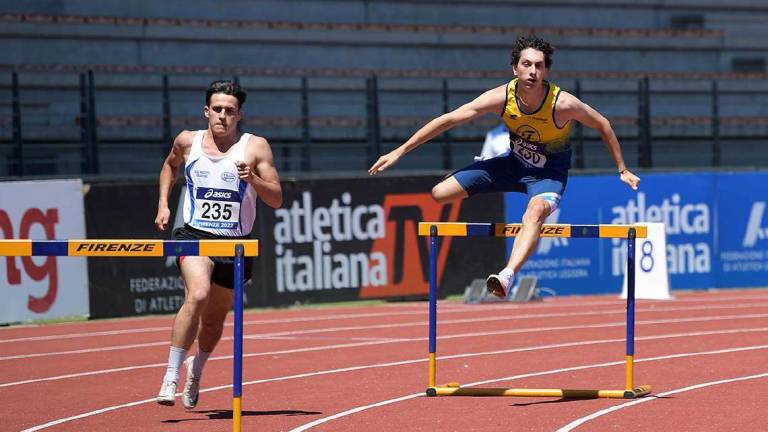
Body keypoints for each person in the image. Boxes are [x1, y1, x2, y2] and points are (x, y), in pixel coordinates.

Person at [368, 35, 640, 299]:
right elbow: (449, 119)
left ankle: (507, 275)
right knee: (439, 194)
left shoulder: (563, 104)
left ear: (546, 71)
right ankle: (485, 170)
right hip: (511, 165)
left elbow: (603, 124)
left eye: (539, 66)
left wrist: (622, 169)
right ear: (514, 68)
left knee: (533, 214)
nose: (532, 71)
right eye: (526, 64)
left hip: (547, 176)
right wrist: (399, 151)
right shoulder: (501, 97)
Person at [154, 80, 282, 409]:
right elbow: (170, 165)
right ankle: (171, 374)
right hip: (193, 234)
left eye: (230, 111)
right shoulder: (187, 141)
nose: (223, 116)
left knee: (213, 321)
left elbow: (277, 198)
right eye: (218, 109)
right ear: (206, 111)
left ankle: (195, 370)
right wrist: (164, 204)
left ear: (240, 115)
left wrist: (251, 179)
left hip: (235, 243)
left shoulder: (255, 148)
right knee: (197, 294)